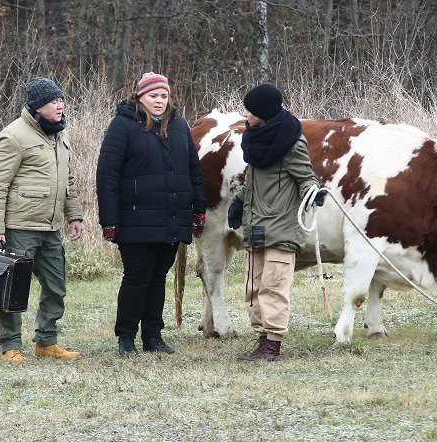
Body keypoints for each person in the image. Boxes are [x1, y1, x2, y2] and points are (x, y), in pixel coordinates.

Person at [96, 72, 206, 356]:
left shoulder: (180, 126)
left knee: (159, 277)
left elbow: (193, 171)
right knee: (137, 277)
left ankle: (153, 336)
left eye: (164, 96)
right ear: (140, 97)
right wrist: (110, 220)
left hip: (171, 216)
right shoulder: (122, 126)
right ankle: (126, 337)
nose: (159, 101)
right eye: (153, 96)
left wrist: (198, 210)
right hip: (135, 219)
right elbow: (107, 175)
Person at [0, 77, 84, 363]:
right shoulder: (13, 136)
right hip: (20, 227)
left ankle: (47, 342)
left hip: (51, 228)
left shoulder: (61, 134)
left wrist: (74, 215)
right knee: (14, 288)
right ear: (38, 106)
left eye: (61, 100)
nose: (60, 105)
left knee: (56, 285)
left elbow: (69, 180)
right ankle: (10, 345)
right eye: (54, 101)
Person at [227, 83, 326, 362]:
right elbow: (256, 178)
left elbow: (305, 176)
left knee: (274, 285)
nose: (245, 113)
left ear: (264, 113)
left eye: (250, 109)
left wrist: (312, 193)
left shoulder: (291, 142)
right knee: (254, 286)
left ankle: (273, 346)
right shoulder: (256, 138)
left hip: (281, 226)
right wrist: (239, 201)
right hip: (256, 223)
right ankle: (262, 340)